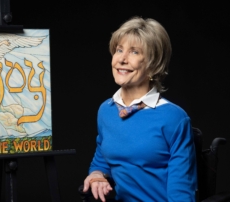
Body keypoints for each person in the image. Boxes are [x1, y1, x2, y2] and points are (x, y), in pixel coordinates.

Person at [82, 16, 197, 202]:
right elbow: (102, 159)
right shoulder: (106, 110)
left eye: (134, 52)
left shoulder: (174, 118)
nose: (122, 59)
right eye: (119, 50)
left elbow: (181, 190)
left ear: (153, 65)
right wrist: (97, 176)